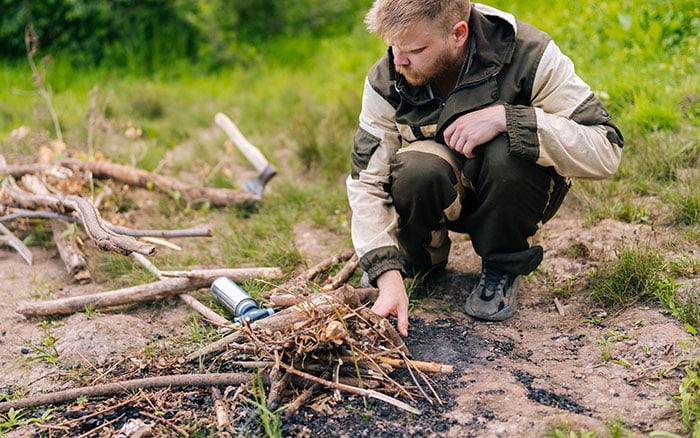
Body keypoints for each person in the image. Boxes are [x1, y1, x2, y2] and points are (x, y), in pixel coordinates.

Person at [347, 0, 624, 336]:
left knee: (506, 153)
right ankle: (420, 259)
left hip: (514, 190)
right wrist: (383, 268)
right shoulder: (389, 74)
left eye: (415, 49)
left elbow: (605, 148)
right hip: (447, 187)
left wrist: (508, 119)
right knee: (415, 168)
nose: (398, 60)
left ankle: (503, 263)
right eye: (392, 46)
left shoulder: (530, 54)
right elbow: (367, 181)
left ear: (458, 34)